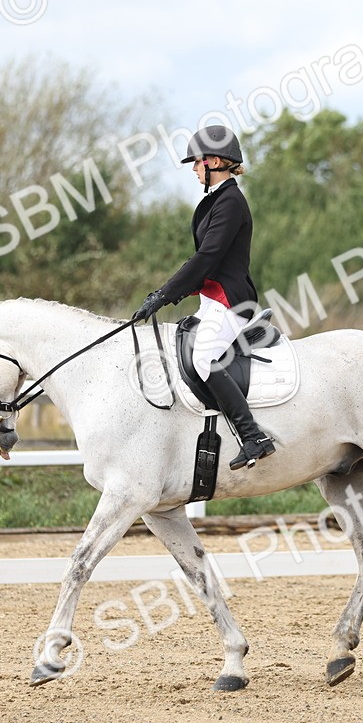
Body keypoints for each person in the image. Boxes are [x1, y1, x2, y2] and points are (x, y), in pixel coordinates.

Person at [132, 125, 276, 470]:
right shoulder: (216, 201)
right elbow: (200, 260)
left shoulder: (230, 202)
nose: (194, 169)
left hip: (231, 302)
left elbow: (207, 257)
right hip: (212, 301)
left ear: (213, 161)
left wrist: (166, 294)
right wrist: (164, 293)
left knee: (203, 359)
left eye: (196, 162)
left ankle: (253, 436)